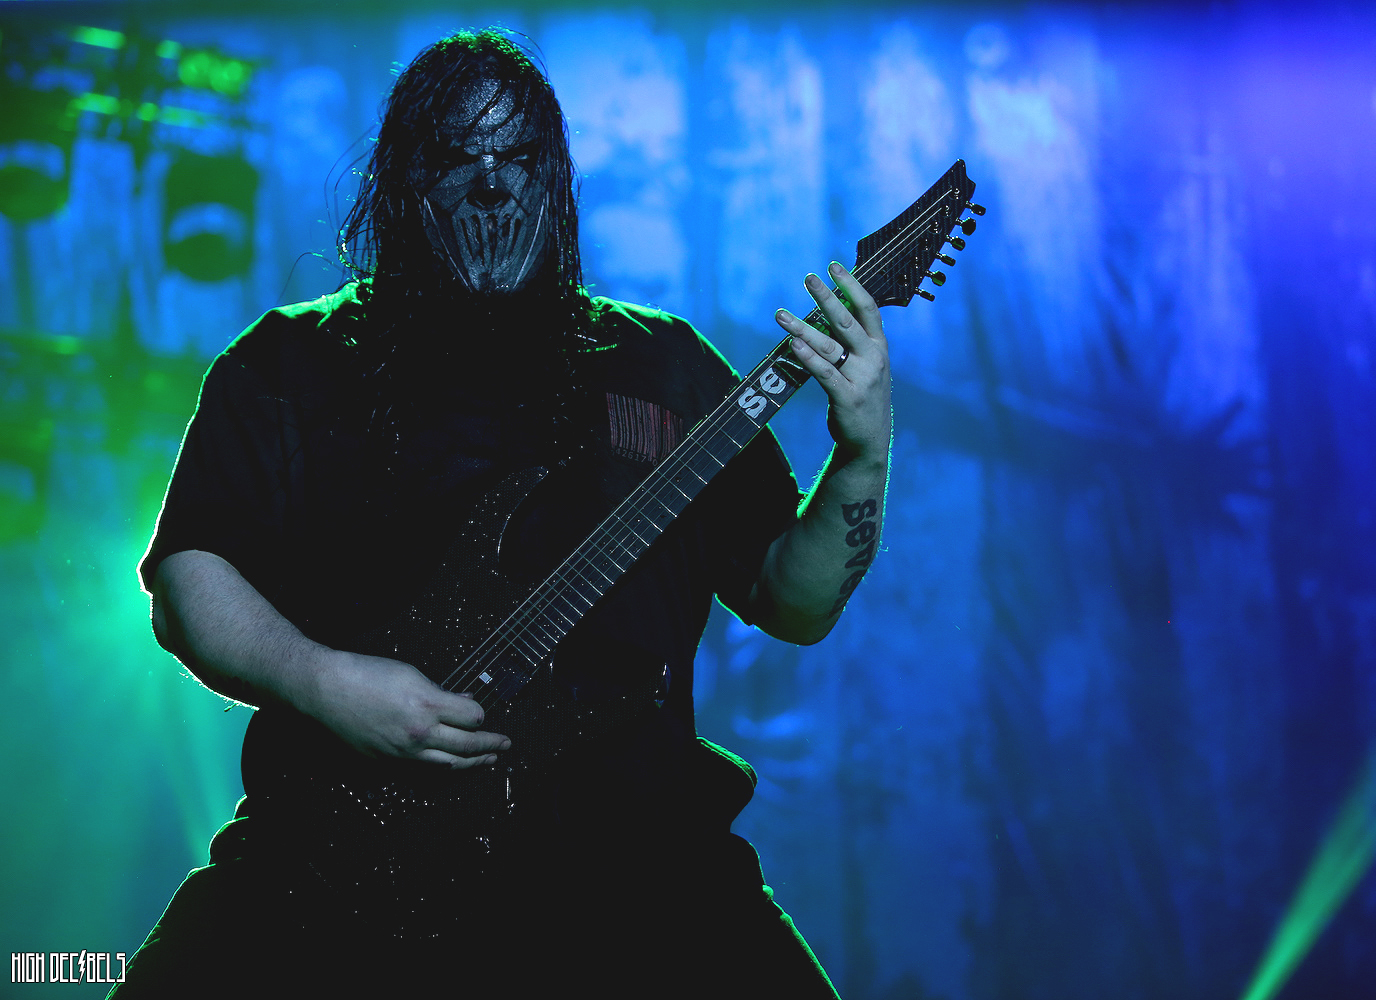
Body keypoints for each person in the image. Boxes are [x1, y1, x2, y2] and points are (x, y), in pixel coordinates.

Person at [115, 27, 889, 997]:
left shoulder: (665, 370)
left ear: (554, 177)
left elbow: (795, 600)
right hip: (336, 858)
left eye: (518, 154)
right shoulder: (290, 364)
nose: (492, 183)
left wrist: (862, 452)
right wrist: (326, 682)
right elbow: (189, 579)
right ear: (406, 179)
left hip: (643, 876)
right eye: (458, 155)